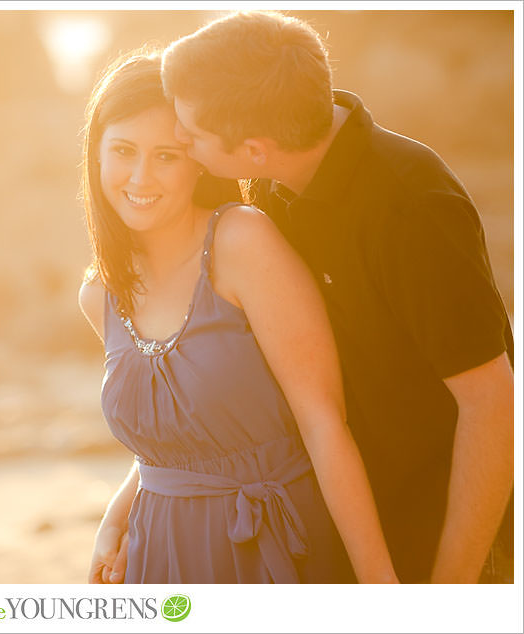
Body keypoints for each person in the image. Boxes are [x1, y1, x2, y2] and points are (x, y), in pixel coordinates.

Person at [156, 10, 514, 583]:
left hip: (443, 527)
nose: (180, 138)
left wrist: (451, 590)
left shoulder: (411, 206)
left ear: (255, 148)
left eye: (191, 133)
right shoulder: (273, 186)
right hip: (343, 516)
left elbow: (491, 401)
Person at [78, 50, 398, 583]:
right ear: (96, 156)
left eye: (166, 156)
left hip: (273, 542)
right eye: (123, 151)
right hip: (158, 554)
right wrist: (117, 517)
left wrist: (381, 589)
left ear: (197, 160)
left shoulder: (242, 241)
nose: (140, 176)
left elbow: (323, 424)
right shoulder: (100, 294)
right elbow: (184, 435)